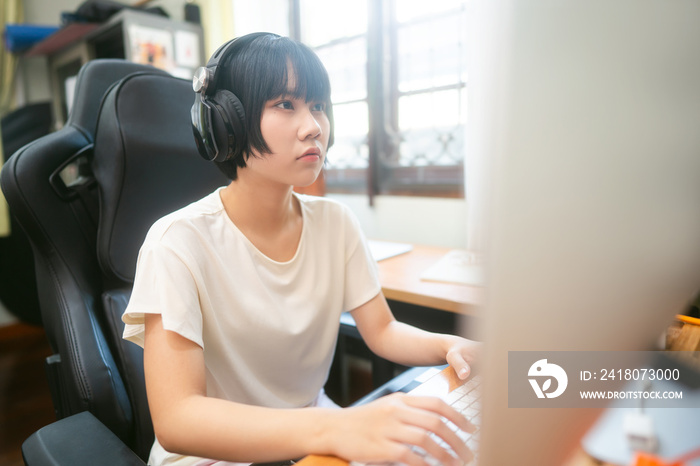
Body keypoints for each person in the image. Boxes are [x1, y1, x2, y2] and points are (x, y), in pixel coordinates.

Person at [123, 32, 480, 466]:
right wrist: (340, 426)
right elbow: (177, 420)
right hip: (216, 457)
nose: (313, 126)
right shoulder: (176, 243)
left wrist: (449, 346)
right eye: (286, 105)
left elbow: (383, 332)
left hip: (312, 434)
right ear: (229, 125)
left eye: (318, 106)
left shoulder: (336, 223)